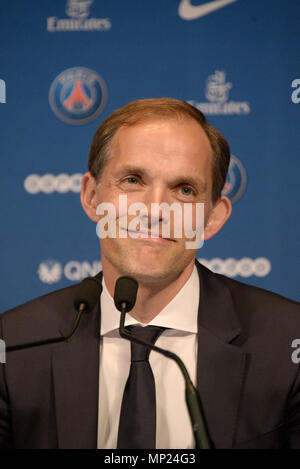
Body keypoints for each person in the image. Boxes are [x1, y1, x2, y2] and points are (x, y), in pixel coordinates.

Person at [0, 98, 299, 449]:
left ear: (213, 218)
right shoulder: (14, 346)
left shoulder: (287, 343)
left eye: (184, 190)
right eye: (132, 180)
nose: (155, 210)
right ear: (92, 196)